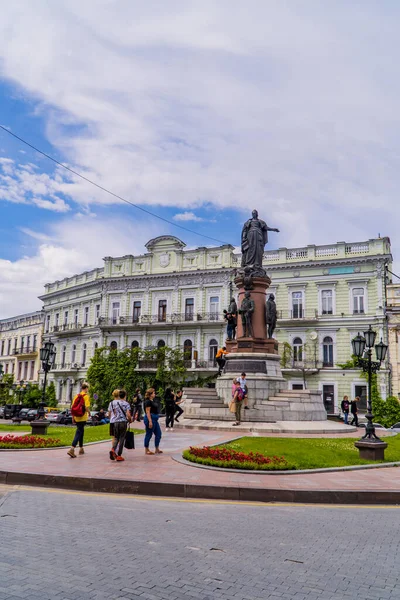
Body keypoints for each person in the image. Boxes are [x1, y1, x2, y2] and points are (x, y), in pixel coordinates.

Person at [67, 382, 90, 458]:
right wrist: (89, 413)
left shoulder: (77, 396)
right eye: (87, 388)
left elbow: (73, 407)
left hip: (77, 416)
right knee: (79, 432)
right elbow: (86, 407)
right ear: (86, 388)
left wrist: (73, 417)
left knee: (81, 431)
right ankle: (72, 449)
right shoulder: (86, 396)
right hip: (82, 417)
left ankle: (81, 448)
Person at [108, 389, 132, 462]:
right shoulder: (126, 403)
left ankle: (113, 449)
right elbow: (128, 414)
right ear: (125, 396)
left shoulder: (112, 403)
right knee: (121, 438)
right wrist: (130, 419)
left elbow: (109, 414)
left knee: (116, 437)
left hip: (115, 422)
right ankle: (119, 455)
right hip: (123, 422)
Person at [144, 388, 163, 455]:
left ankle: (157, 448)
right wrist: (150, 421)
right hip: (151, 418)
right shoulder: (148, 401)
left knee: (158, 434)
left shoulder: (152, 400)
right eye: (154, 393)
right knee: (149, 434)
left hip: (155, 418)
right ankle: (146, 449)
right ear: (150, 394)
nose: (155, 394)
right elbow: (148, 412)